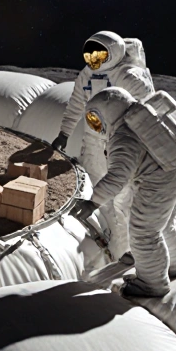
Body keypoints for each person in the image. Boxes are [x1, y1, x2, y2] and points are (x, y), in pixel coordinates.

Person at [73, 87, 176, 298]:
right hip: (175, 174)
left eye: (97, 120)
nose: (96, 127)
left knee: (144, 232)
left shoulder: (124, 137)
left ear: (109, 114)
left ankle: (153, 284)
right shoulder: (140, 124)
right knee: (164, 225)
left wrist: (92, 203)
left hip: (157, 183)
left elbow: (117, 177)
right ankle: (173, 264)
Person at [49, 31, 153, 259]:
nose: (93, 60)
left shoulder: (127, 77)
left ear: (114, 54)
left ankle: (132, 251)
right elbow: (76, 104)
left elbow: (147, 108)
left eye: (100, 55)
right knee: (96, 195)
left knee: (124, 200)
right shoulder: (87, 75)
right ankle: (111, 246)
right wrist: (64, 133)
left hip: (121, 143)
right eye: (90, 54)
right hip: (94, 142)